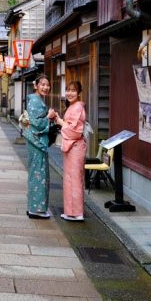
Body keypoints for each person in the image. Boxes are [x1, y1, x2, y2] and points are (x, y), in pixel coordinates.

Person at [23, 76, 56, 219]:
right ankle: (36, 209)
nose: (45, 87)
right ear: (35, 85)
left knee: (36, 173)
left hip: (34, 141)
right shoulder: (36, 102)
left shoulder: (36, 100)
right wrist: (48, 117)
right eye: (42, 84)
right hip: (37, 142)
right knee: (39, 174)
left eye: (47, 85)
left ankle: (33, 206)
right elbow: (37, 124)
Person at [53, 80, 87, 221]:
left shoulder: (77, 107)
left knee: (74, 179)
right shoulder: (73, 106)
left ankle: (76, 213)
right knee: (70, 178)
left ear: (79, 93)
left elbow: (75, 131)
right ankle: (71, 211)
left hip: (75, 146)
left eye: (73, 90)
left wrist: (60, 121)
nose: (69, 93)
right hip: (72, 147)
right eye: (68, 90)